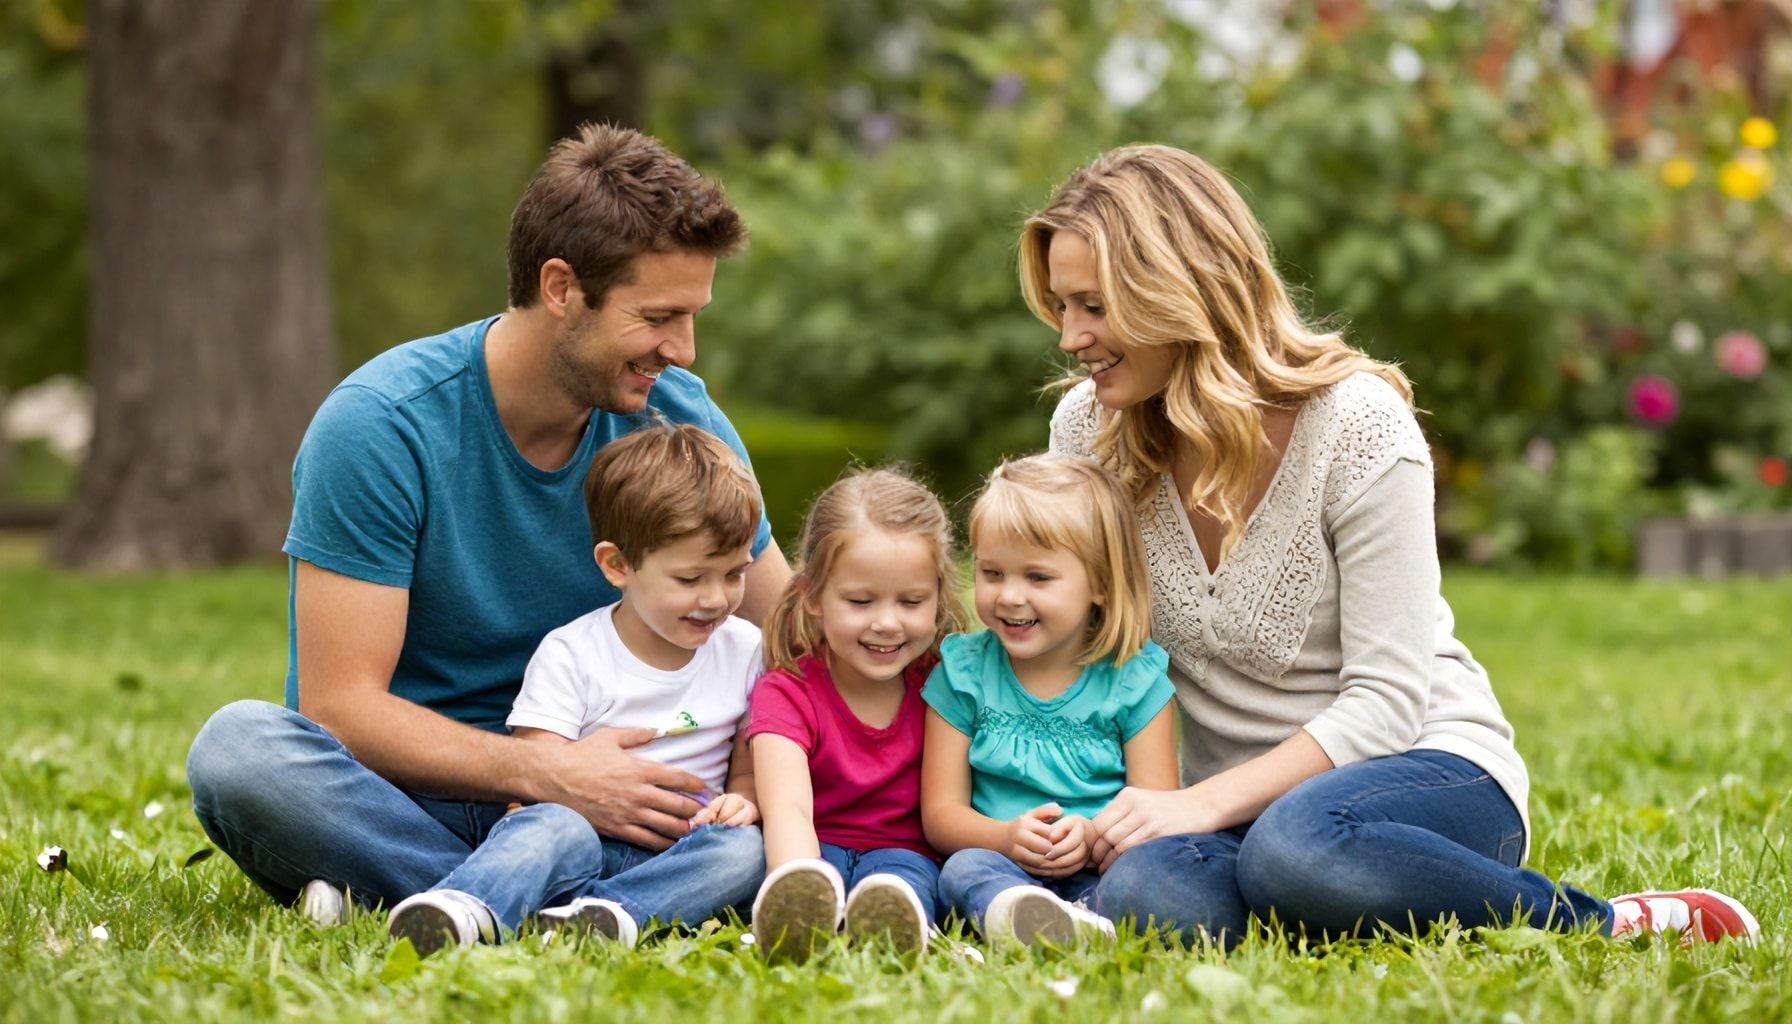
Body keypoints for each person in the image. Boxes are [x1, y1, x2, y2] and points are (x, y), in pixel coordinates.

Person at [1022, 143, 1759, 946]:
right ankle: (1330, 901)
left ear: (1179, 291)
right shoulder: (1088, 434)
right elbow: (1073, 651)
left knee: (1300, 848)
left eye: (1093, 307)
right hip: (1236, 810)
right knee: (1147, 892)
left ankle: (1607, 923)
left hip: (1422, 773)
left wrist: (1199, 806)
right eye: (1062, 307)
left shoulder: (1357, 425)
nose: (1069, 338)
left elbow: (1386, 703)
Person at [184, 124, 792, 924]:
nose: (682, 349)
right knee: (239, 753)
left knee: (746, 840)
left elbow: (790, 628)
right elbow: (340, 707)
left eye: (692, 315)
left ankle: (459, 900)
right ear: (560, 287)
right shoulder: (381, 426)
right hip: (417, 799)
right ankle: (574, 907)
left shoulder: (679, 419)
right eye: (658, 316)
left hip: (624, 811)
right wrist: (552, 776)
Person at [385, 424, 768, 955]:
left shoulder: (747, 649)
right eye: (690, 579)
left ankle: (608, 914)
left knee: (745, 852)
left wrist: (740, 803)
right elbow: (535, 780)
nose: (716, 598)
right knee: (550, 829)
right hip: (583, 841)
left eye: (734, 574)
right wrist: (557, 821)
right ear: (618, 565)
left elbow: (747, 769)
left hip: (679, 852)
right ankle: (466, 906)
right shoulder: (574, 653)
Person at [922, 454, 1178, 948]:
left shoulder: (1134, 679)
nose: (1009, 596)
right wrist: (1005, 838)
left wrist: (1091, 836)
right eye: (991, 572)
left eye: (1037, 578)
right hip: (999, 861)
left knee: (1152, 879)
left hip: (1102, 865)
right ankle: (1021, 914)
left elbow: (1157, 816)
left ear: (1100, 584)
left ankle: (1078, 921)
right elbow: (940, 814)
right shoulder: (964, 671)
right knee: (960, 870)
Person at [744, 468, 970, 961]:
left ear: (939, 596)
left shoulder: (947, 684)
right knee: (814, 877)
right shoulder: (787, 691)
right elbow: (788, 810)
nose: (887, 623)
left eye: (912, 602)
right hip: (814, 848)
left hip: (906, 855)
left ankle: (894, 928)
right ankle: (805, 923)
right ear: (813, 596)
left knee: (897, 887)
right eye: (860, 601)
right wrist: (800, 885)